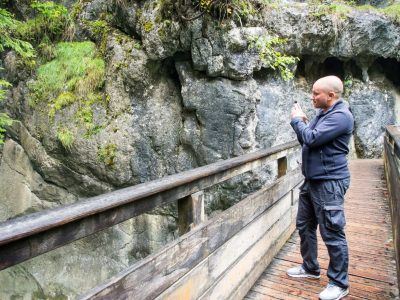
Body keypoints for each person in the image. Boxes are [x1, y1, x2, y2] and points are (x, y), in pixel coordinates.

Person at [287, 75, 354, 300]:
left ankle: (339, 282)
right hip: (313, 180)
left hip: (329, 182)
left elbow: (312, 139)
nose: (312, 97)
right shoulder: (323, 114)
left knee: (332, 232)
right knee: (304, 226)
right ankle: (310, 267)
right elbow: (308, 140)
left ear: (331, 96)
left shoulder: (341, 117)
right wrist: (304, 123)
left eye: (316, 93)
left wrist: (297, 121)